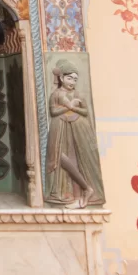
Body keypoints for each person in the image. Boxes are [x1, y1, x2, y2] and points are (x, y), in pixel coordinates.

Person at [45, 60, 105, 208]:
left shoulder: (78, 94)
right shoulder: (56, 94)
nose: (72, 82)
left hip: (78, 127)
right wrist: (68, 106)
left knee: (78, 158)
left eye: (75, 79)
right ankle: (83, 189)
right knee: (60, 157)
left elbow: (85, 111)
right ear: (61, 78)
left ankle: (83, 193)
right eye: (69, 78)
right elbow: (53, 111)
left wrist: (74, 108)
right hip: (60, 128)